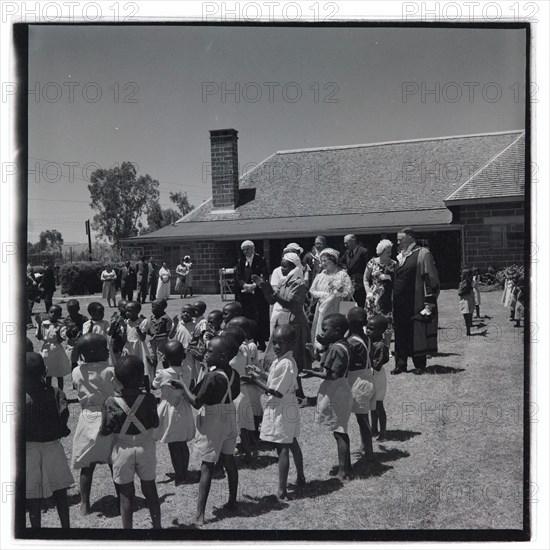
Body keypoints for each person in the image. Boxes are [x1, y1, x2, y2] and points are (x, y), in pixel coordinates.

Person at [171, 335, 240, 525]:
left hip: (213, 420)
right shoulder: (233, 373)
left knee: (207, 465)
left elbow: (195, 402)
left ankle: (200, 515)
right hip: (229, 416)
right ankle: (233, 500)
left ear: (223, 356)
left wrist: (182, 385)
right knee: (228, 459)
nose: (205, 353)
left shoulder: (211, 376)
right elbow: (234, 393)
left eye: (210, 351)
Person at [100, 355, 161, 529]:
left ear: (116, 380)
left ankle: (128, 532)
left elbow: (105, 430)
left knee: (126, 495)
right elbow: (155, 422)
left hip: (122, 449)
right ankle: (157, 527)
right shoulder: (149, 398)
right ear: (142, 378)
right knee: (150, 488)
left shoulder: (111, 402)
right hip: (145, 447)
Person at [246, 325, 305, 500]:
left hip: (283, 406)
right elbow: (274, 381)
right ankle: (301, 476)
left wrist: (255, 381)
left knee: (283, 446)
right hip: (286, 404)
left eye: (281, 343)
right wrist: (261, 373)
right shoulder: (281, 360)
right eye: (275, 343)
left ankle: (282, 489)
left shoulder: (286, 363)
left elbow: (276, 391)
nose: (277, 347)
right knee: (291, 441)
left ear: (291, 344)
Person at [302, 314, 353, 481]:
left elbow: (331, 374)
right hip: (339, 390)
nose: (322, 333)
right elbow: (327, 363)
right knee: (340, 430)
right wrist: (314, 353)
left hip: (337, 392)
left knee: (340, 432)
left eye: (325, 329)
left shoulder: (337, 349)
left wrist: (312, 374)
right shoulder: (339, 345)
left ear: (337, 330)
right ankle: (347, 465)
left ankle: (343, 471)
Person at [25, 352, 73, 528]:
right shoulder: (56, 393)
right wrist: (62, 430)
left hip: (28, 449)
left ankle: (36, 530)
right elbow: (63, 418)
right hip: (52, 447)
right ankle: (65, 528)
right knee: (60, 490)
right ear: (45, 371)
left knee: (32, 494)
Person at [254, 252, 310, 401]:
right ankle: (278, 387)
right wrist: (265, 288)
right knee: (274, 355)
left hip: (294, 322)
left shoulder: (299, 283)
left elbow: (289, 303)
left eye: (285, 266)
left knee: (293, 357)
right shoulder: (285, 281)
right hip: (284, 319)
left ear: (293, 266)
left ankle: (299, 394)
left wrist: (272, 292)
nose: (282, 269)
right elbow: (272, 301)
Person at [71, 334, 117, 515]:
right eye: (104, 349)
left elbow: (76, 382)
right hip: (110, 415)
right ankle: (122, 497)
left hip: (87, 417)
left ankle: (84, 504)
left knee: (86, 463)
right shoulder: (111, 371)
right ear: (94, 352)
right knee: (115, 460)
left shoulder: (77, 372)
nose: (107, 351)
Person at [392, 228, 440, 376]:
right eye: (398, 239)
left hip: (415, 301)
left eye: (401, 239)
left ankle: (419, 364)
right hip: (399, 304)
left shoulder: (423, 254)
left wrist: (429, 303)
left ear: (411, 238)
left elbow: (429, 278)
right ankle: (401, 364)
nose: (398, 241)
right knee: (400, 333)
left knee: (417, 332)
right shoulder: (399, 257)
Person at [152, 341, 196, 486]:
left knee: (173, 444)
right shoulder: (187, 370)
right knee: (182, 443)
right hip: (184, 408)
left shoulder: (163, 373)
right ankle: (184, 471)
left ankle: (180, 475)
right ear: (183, 356)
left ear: (165, 358)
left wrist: (162, 364)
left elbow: (154, 385)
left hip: (170, 410)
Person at [223, 324, 257, 459]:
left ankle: (239, 452)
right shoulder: (244, 349)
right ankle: (248, 452)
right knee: (244, 426)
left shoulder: (228, 355)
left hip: (234, 393)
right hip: (243, 392)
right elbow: (249, 368)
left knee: (236, 425)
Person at [309, 248, 353, 349]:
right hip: (323, 307)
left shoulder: (342, 274)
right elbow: (312, 290)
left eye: (325, 260)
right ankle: (321, 349)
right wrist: (322, 294)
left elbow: (349, 291)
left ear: (333, 260)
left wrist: (339, 293)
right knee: (323, 327)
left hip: (337, 306)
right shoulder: (320, 275)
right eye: (322, 261)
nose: (323, 263)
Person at [346, 308, 375, 459]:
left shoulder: (352, 342)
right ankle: (365, 446)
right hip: (366, 379)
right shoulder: (366, 338)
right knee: (363, 416)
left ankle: (369, 452)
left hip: (358, 383)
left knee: (362, 419)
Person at [235, 240, 270, 351]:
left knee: (259, 318)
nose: (246, 252)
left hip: (258, 295)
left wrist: (255, 285)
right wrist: (245, 285)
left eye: (248, 249)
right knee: (248, 318)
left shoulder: (261, 259)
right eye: (244, 250)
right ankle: (252, 340)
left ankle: (261, 341)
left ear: (253, 249)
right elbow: (238, 276)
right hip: (246, 296)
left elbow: (264, 274)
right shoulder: (241, 261)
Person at [363, 239, 397, 348]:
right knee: (371, 321)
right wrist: (368, 292)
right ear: (381, 251)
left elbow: (398, 280)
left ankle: (387, 347)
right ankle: (371, 345)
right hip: (373, 297)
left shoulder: (393, 264)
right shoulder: (372, 262)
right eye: (387, 252)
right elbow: (365, 279)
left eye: (390, 251)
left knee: (388, 321)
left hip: (387, 296)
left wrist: (390, 277)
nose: (390, 254)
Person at [36, 304, 71, 391]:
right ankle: (48, 392)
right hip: (46, 349)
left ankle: (61, 392)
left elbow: (60, 340)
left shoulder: (61, 325)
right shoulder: (44, 324)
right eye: (51, 312)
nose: (52, 315)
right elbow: (40, 337)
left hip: (57, 349)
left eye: (55, 313)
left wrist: (58, 331)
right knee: (48, 372)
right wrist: (39, 324)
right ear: (48, 313)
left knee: (59, 373)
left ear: (60, 315)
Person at [367, 315, 390, 440]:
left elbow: (377, 364)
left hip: (377, 375)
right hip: (370, 374)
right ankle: (374, 429)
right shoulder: (370, 341)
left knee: (379, 405)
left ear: (380, 331)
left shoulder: (380, 345)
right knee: (372, 405)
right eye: (367, 328)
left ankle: (383, 432)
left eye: (371, 329)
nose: (368, 331)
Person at [122, 301, 154, 388]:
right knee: (130, 369)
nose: (127, 313)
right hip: (129, 348)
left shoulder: (143, 322)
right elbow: (124, 339)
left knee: (144, 370)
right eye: (126, 311)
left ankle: (148, 390)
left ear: (137, 311)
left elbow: (143, 338)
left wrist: (137, 329)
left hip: (140, 348)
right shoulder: (125, 323)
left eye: (130, 310)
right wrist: (124, 328)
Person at [302, 236, 328, 325]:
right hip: (311, 285)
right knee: (310, 308)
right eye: (316, 243)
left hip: (324, 286)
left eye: (320, 243)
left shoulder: (328, 255)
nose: (318, 245)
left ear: (324, 244)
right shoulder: (309, 256)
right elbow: (304, 268)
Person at [341, 235, 370, 308]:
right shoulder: (347, 252)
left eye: (346, 243)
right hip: (349, 283)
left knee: (360, 304)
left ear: (353, 241)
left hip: (360, 284)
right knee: (350, 305)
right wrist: (344, 268)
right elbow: (340, 262)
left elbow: (368, 267)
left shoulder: (364, 251)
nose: (345, 245)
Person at [144, 299, 173, 369]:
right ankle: (153, 375)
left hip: (162, 342)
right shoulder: (152, 318)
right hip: (152, 342)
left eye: (153, 307)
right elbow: (149, 331)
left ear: (160, 308)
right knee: (152, 358)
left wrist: (158, 336)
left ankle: (167, 372)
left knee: (164, 359)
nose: (152, 309)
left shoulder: (166, 319)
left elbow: (168, 333)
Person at [63, 299, 88, 369]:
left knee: (84, 361)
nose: (72, 311)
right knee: (73, 361)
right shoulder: (66, 320)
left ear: (78, 309)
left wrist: (82, 332)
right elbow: (65, 334)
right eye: (70, 309)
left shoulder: (84, 319)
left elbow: (88, 329)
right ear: (67, 309)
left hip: (83, 342)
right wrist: (69, 330)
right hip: (72, 343)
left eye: (74, 309)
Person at [458, 268, 476, 337]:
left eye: (462, 274)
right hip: (468, 299)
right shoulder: (469, 282)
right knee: (468, 315)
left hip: (465, 300)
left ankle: (468, 331)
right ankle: (468, 330)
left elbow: (460, 293)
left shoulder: (465, 283)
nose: (461, 276)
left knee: (466, 316)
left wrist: (460, 289)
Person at [26, 264, 39, 329]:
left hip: (28, 287)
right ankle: (29, 323)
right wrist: (33, 280)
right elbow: (28, 275)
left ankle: (28, 323)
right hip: (30, 288)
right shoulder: (29, 268)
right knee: (29, 303)